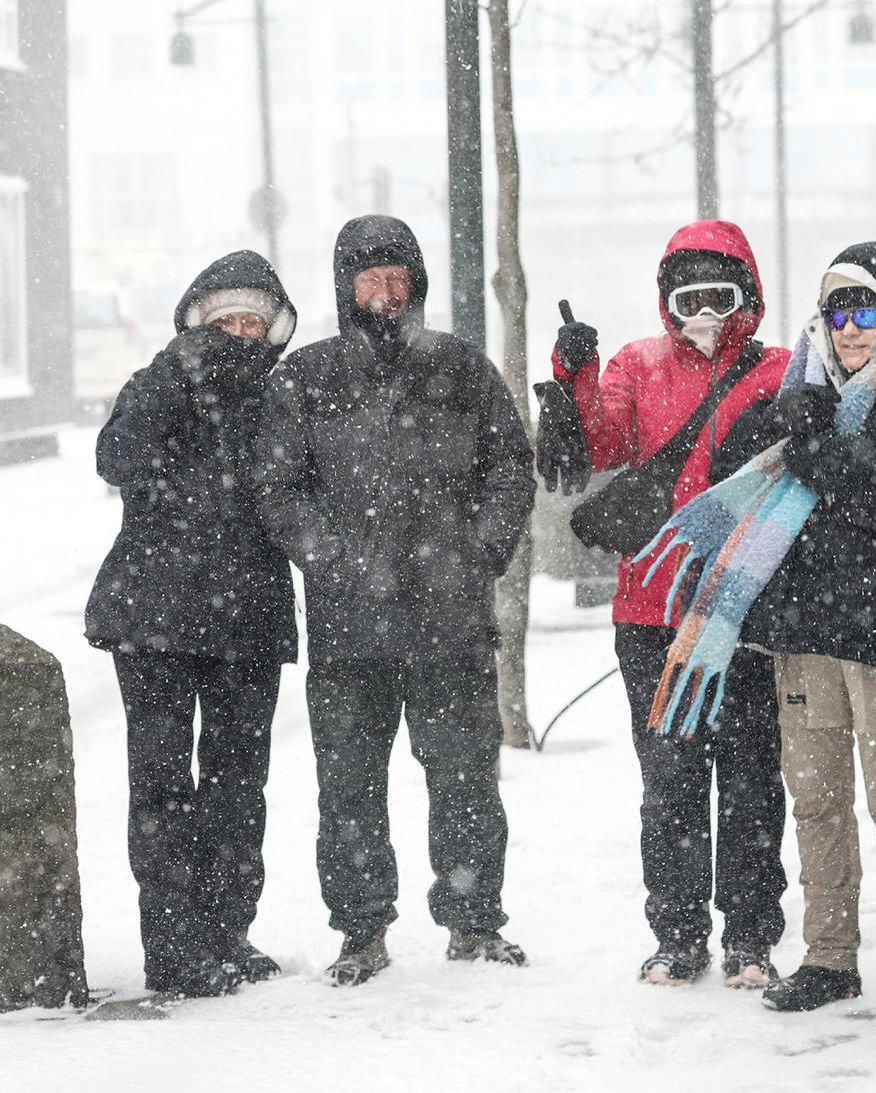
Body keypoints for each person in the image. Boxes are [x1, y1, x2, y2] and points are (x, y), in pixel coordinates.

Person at [255, 216, 535, 986]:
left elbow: (511, 466)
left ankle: (475, 922)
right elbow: (277, 490)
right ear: (346, 287)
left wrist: (480, 550)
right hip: (351, 630)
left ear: (417, 283)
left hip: (451, 623)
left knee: (466, 777)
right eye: (368, 279)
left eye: (396, 278)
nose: (383, 293)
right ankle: (361, 930)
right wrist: (333, 560)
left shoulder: (460, 367)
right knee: (349, 784)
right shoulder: (306, 378)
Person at [706, 241, 876, 1025]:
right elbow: (737, 478)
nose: (850, 328)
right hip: (806, 631)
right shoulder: (803, 388)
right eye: (836, 310)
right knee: (816, 801)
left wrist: (827, 453)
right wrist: (776, 422)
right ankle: (829, 955)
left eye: (866, 310)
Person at [538, 220, 790, 988]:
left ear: (748, 295)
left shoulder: (781, 371)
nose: (704, 314)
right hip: (652, 614)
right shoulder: (637, 366)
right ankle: (678, 934)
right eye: (688, 298)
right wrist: (574, 376)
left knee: (751, 779)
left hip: (747, 611)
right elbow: (599, 444)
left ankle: (749, 934)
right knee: (672, 782)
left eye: (720, 296)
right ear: (664, 303)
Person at [86, 251, 299, 997]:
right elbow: (115, 458)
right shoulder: (158, 382)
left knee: (241, 786)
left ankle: (227, 933)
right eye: (225, 322)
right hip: (154, 618)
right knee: (163, 788)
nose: (240, 335)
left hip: (251, 619)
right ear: (196, 324)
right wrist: (177, 376)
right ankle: (174, 949)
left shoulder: (282, 398)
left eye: (253, 322)